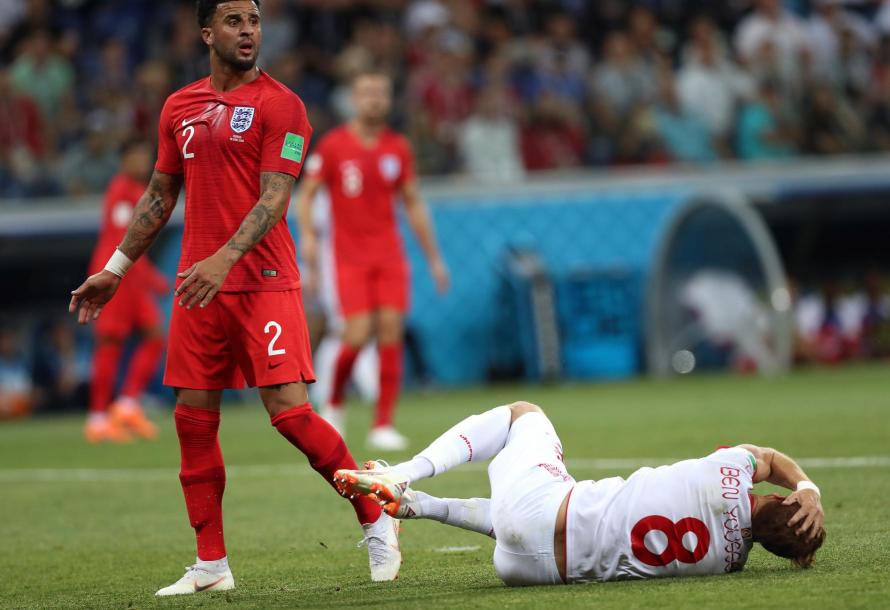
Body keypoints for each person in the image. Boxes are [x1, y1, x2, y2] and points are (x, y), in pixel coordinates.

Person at [68, 0, 399, 596]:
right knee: (193, 423)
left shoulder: (283, 105)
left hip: (263, 281)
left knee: (291, 417)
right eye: (233, 21)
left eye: (254, 21)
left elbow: (276, 198)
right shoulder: (179, 107)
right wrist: (116, 268)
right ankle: (211, 565)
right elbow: (158, 195)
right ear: (206, 33)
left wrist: (224, 257)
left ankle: (375, 517)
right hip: (200, 289)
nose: (248, 32)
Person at [336, 401, 826, 586]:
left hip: (543, 511)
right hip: (535, 569)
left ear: (781, 502)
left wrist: (806, 486)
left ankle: (402, 473)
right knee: (533, 517)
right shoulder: (728, 563)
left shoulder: (729, 477)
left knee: (522, 416)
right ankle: (420, 506)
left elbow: (766, 456)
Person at [296, 69, 449, 451]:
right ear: (354, 99)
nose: (374, 99)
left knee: (391, 332)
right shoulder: (333, 146)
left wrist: (434, 258)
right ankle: (334, 403)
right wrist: (310, 239)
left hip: (390, 256)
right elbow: (307, 194)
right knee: (358, 334)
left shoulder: (398, 147)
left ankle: (383, 424)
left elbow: (412, 203)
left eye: (381, 92)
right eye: (367, 92)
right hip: (349, 259)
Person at [82, 136, 167, 443]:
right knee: (110, 342)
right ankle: (97, 418)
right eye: (138, 156)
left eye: (146, 156)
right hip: (115, 273)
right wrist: (149, 277)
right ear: (124, 159)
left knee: (155, 336)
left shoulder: (137, 190)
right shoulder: (120, 189)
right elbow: (120, 238)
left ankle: (128, 403)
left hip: (133, 277)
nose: (144, 162)